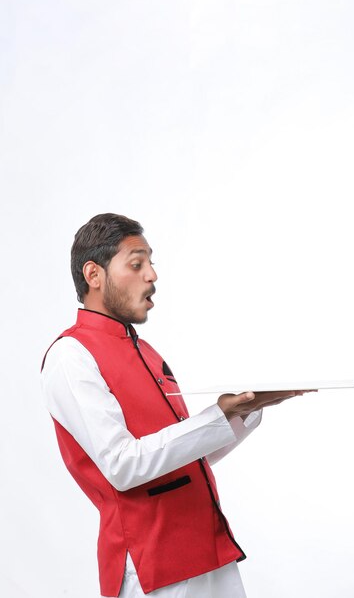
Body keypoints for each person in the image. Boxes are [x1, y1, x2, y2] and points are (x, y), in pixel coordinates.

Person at [41, 213, 308, 598]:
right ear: (93, 275)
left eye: (150, 262)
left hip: (209, 549)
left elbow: (179, 457)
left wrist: (244, 412)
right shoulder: (71, 356)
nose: (152, 275)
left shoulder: (145, 351)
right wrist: (218, 415)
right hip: (153, 567)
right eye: (137, 263)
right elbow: (123, 465)